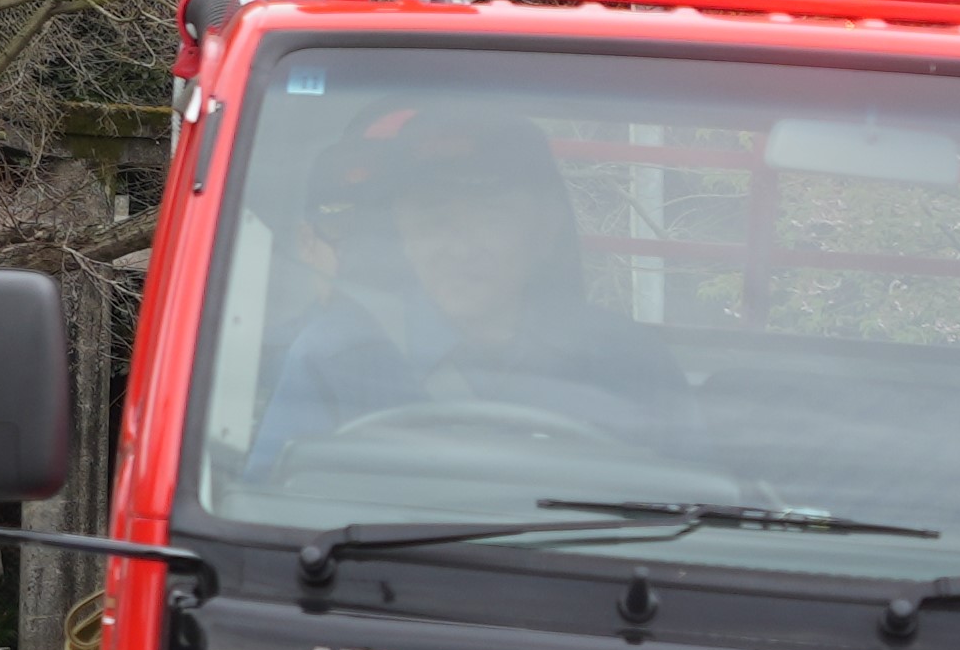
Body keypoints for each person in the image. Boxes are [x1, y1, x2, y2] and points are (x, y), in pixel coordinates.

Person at [258, 125, 688, 458]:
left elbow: (698, 516)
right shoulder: (335, 360)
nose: (460, 248)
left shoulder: (630, 362)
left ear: (544, 229)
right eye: (433, 219)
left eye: (490, 215)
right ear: (402, 235)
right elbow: (266, 511)